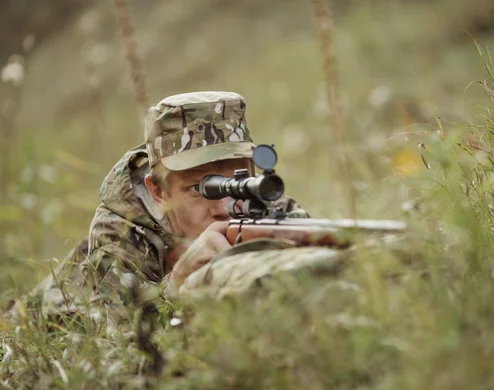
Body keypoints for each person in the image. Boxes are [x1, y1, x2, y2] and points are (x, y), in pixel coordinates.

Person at [9, 91, 324, 329]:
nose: (224, 207)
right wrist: (178, 282)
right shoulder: (120, 231)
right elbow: (119, 345)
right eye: (199, 189)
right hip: (53, 311)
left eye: (238, 179)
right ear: (159, 191)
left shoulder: (256, 199)